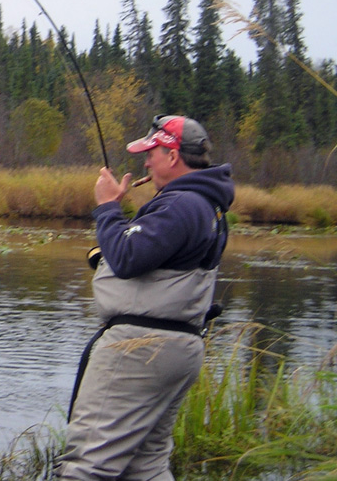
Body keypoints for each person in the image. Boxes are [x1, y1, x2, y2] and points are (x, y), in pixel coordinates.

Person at [55, 114, 234, 481]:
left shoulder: (181, 204)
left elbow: (126, 256)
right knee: (145, 466)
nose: (145, 162)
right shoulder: (207, 206)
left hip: (139, 351)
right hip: (176, 349)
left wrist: (107, 208)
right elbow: (151, 264)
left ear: (172, 156)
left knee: (87, 465)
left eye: (151, 153)